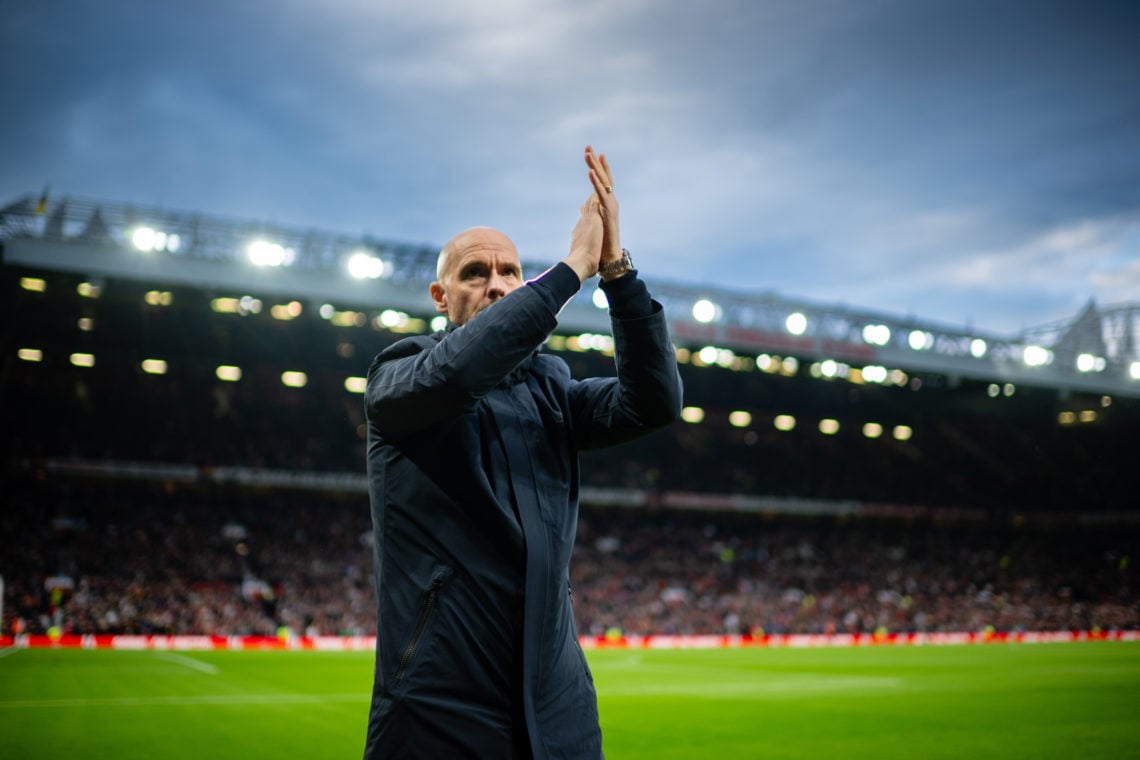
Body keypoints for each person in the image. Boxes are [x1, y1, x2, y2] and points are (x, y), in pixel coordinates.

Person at [362, 146, 683, 759]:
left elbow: (655, 402)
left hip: (558, 706)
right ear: (439, 295)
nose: (498, 285)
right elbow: (459, 375)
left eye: (509, 271)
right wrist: (567, 273)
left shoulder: (553, 391)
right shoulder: (400, 377)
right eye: (475, 273)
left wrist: (616, 271)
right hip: (440, 709)